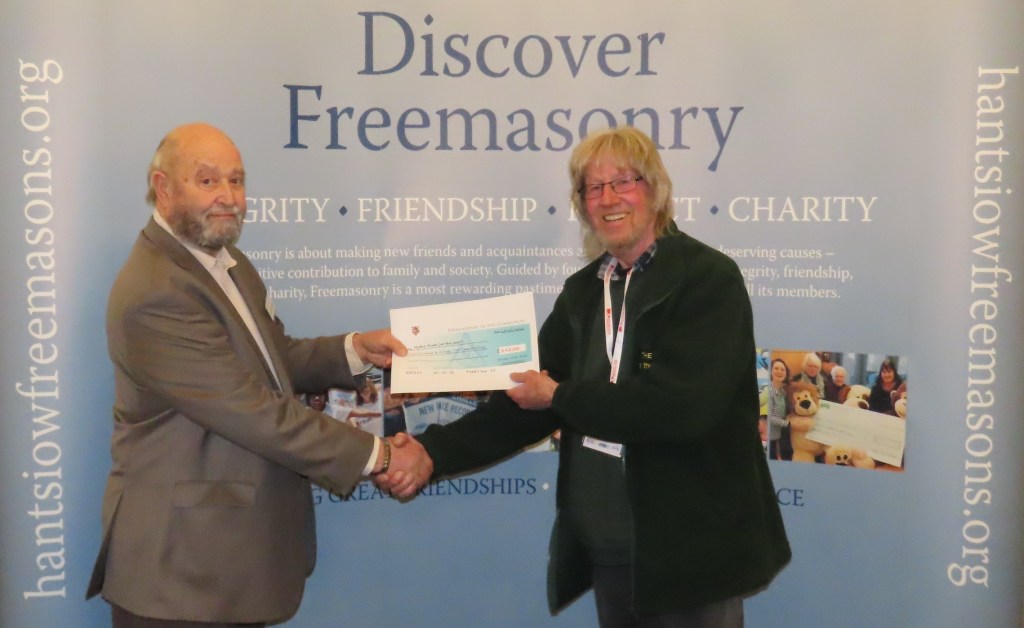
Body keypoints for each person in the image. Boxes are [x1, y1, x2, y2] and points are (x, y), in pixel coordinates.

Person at [381, 126, 790, 627]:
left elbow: (680, 410)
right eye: (592, 188)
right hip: (609, 546)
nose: (608, 199)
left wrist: (560, 395)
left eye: (623, 181)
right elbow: (525, 401)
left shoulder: (706, 281)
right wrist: (431, 452)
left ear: (656, 189)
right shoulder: (582, 293)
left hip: (690, 553)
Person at [86, 123, 431, 627]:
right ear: (164, 188)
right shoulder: (157, 291)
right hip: (181, 576)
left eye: (237, 180)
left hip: (227, 565)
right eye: (208, 181)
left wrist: (355, 350)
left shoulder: (225, 263)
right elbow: (251, 410)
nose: (228, 197)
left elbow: (273, 359)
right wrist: (379, 455)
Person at [759, 358, 792, 460]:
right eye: (776, 368)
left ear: (786, 373)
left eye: (782, 369)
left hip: (776, 436)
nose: (779, 371)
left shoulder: (783, 392)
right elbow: (770, 417)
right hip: (766, 436)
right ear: (771, 371)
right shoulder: (768, 390)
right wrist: (788, 423)